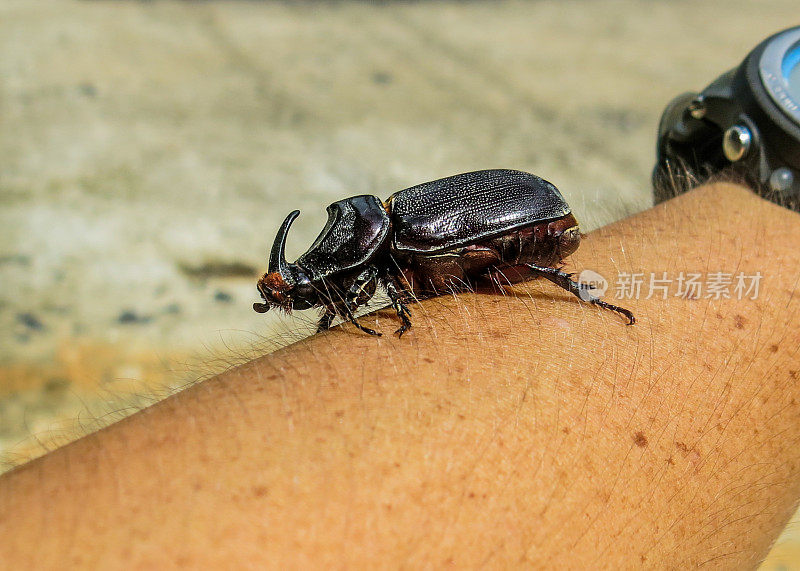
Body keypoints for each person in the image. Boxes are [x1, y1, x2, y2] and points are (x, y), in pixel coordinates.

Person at [1, 182, 799, 567]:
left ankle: (581, 298)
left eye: (319, 272)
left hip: (530, 225)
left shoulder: (400, 236)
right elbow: (352, 285)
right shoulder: (377, 247)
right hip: (509, 217)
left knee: (493, 271)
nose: (318, 281)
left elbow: (464, 258)